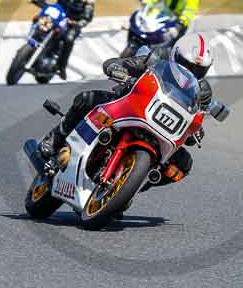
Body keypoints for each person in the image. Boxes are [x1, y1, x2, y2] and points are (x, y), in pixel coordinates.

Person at [39, 33, 214, 186]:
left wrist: (196, 130)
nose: (191, 71)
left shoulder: (203, 91)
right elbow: (124, 63)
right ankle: (56, 139)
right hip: (127, 105)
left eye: (199, 70)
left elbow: (196, 117)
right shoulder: (158, 56)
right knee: (86, 99)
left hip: (163, 128)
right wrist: (118, 69)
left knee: (183, 164)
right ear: (175, 54)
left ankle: (134, 184)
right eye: (187, 64)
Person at [31, 0, 95, 80]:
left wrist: (83, 21)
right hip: (58, 13)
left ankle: (61, 66)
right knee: (39, 21)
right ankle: (30, 45)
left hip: (74, 20)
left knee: (69, 39)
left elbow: (89, 10)